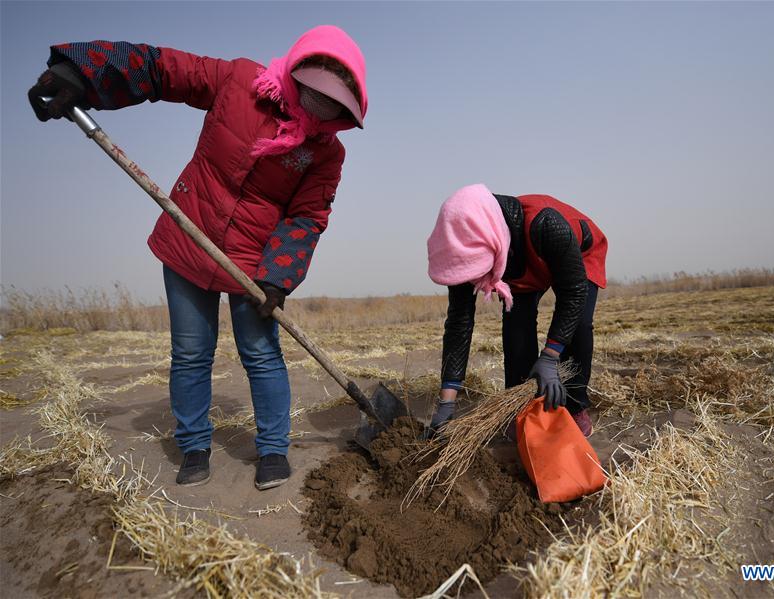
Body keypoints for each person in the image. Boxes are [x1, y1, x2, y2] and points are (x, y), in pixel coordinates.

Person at [28, 26, 368, 490]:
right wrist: (81, 72)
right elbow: (163, 69)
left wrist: (278, 277)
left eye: (333, 103)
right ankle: (194, 446)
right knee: (190, 353)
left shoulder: (326, 152)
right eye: (315, 92)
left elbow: (307, 217)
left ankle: (272, 449)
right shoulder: (240, 81)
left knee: (262, 353)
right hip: (188, 237)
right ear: (297, 72)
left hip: (255, 260)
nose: (319, 107)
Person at [426, 184, 608, 438]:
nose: (478, 282)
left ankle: (576, 406)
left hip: (578, 253)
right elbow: (459, 323)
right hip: (521, 261)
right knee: (516, 327)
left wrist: (550, 355)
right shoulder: (464, 249)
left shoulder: (546, 224)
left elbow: (574, 293)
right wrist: (446, 403)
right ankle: (520, 408)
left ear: (492, 245)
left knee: (577, 327)